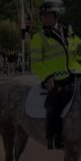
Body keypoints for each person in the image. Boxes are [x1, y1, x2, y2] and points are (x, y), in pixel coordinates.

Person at [31, 1, 81, 149]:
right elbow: (36, 62)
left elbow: (79, 51)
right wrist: (47, 77)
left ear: (56, 15)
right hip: (55, 80)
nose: (46, 18)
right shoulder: (39, 38)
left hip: (74, 75)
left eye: (49, 15)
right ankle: (54, 137)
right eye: (43, 15)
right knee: (55, 105)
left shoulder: (69, 33)